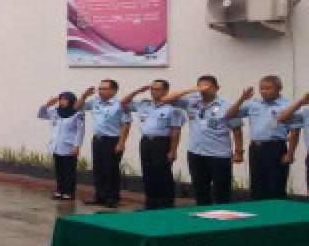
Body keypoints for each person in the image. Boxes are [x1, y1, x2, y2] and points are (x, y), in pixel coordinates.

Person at [165, 76, 244, 205]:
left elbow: (236, 129)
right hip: (196, 153)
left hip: (219, 155)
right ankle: (203, 214)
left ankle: (222, 215)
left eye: (208, 87)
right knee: (200, 190)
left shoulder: (227, 105)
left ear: (217, 88)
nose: (205, 90)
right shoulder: (191, 102)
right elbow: (166, 99)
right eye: (201, 87)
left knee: (222, 192)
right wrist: (193, 90)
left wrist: (239, 151)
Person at [228, 75, 299, 200]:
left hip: (275, 148)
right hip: (256, 148)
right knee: (257, 185)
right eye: (261, 88)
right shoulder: (254, 104)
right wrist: (241, 99)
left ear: (279, 88)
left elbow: (294, 130)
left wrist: (290, 153)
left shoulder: (288, 105)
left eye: (268, 88)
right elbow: (230, 114)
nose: (264, 91)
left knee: (275, 186)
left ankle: (277, 211)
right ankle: (259, 210)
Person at [122, 80, 186, 210]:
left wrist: (173, 150)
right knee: (148, 173)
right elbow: (123, 103)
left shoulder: (173, 108)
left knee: (162, 174)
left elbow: (176, 130)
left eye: (157, 89)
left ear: (165, 91)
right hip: (146, 141)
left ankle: (165, 204)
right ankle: (151, 203)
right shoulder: (144, 105)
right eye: (152, 89)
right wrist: (137, 91)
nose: (153, 92)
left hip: (162, 142)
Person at [75, 80, 131, 208]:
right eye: (100, 88)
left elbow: (126, 124)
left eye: (104, 89)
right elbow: (77, 107)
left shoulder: (120, 104)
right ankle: (99, 196)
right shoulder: (95, 102)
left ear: (114, 91)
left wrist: (121, 143)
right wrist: (84, 96)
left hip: (112, 140)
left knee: (111, 169)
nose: (101, 91)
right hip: (98, 139)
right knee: (98, 169)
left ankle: (112, 197)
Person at [37, 92, 85, 201]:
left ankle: (69, 193)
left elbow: (80, 131)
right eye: (60, 99)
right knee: (59, 170)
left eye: (64, 99)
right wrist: (47, 105)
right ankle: (59, 191)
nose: (62, 101)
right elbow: (41, 115)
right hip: (56, 145)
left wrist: (77, 146)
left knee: (69, 171)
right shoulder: (56, 111)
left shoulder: (78, 113)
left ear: (71, 100)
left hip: (69, 146)